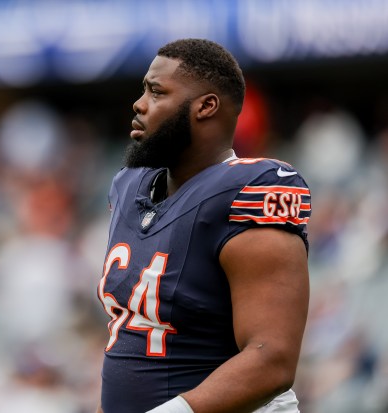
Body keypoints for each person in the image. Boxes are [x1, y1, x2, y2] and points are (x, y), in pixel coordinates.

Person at [95, 39, 311, 413]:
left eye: (156, 91)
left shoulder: (251, 190)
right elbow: (131, 343)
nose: (139, 103)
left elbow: (272, 359)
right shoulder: (131, 187)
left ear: (206, 107)